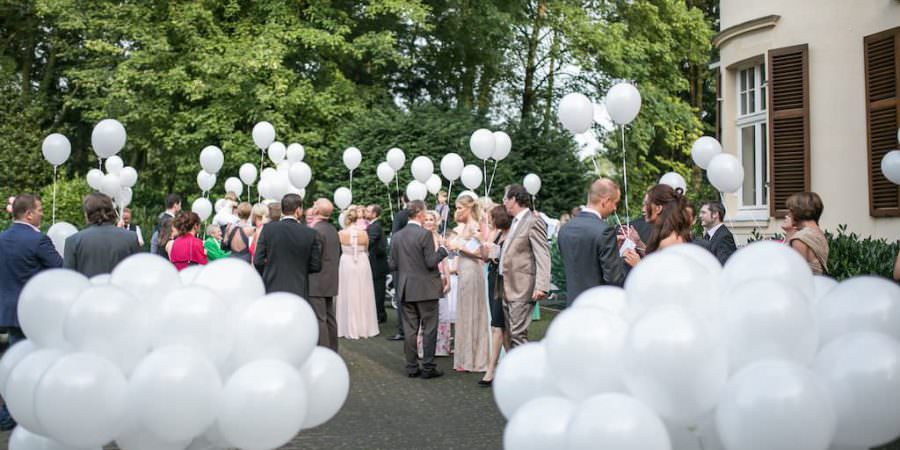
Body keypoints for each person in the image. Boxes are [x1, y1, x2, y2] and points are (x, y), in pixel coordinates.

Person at [389, 200, 448, 379]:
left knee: (410, 329)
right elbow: (431, 262)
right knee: (429, 328)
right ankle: (428, 367)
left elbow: (392, 264)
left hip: (406, 288)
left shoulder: (397, 236)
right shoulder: (424, 235)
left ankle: (412, 367)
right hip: (426, 288)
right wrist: (443, 250)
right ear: (420, 214)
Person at [0, 194, 63, 345]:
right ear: (29, 214)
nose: (42, 213)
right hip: (34, 311)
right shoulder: (39, 240)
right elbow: (61, 269)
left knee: (15, 357)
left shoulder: (2, 238)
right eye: (39, 210)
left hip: (8, 311)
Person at [558, 178, 626, 305]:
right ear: (605, 201)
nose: (615, 208)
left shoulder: (565, 229)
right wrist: (620, 257)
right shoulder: (605, 231)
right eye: (615, 203)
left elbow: (579, 261)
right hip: (597, 306)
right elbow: (613, 278)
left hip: (572, 305)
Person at [499, 185, 550, 348]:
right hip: (506, 285)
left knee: (517, 334)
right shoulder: (514, 222)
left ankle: (525, 371)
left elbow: (543, 254)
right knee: (510, 333)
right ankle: (513, 370)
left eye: (506, 199)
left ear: (514, 199)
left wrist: (542, 285)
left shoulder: (533, 221)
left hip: (522, 286)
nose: (504, 202)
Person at [448, 193, 489, 372]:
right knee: (464, 312)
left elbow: (482, 253)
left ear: (469, 208)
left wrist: (460, 246)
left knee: (473, 311)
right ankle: (464, 358)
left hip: (472, 270)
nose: (457, 212)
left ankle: (475, 358)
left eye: (459, 208)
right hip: (463, 271)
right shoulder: (464, 227)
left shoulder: (475, 227)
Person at [253, 194, 323, 299]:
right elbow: (316, 266)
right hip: (298, 287)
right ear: (298, 210)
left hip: (272, 286)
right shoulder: (310, 233)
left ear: (282, 210)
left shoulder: (268, 229)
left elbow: (257, 261)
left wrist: (269, 271)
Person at [64, 193, 141, 277]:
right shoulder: (131, 237)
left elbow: (69, 279)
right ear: (111, 211)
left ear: (87, 214)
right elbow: (136, 274)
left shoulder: (73, 241)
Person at [335, 205, 380, 340]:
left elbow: (338, 249)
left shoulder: (341, 234)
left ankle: (346, 326)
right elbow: (366, 248)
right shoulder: (363, 233)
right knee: (363, 292)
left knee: (347, 292)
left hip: (346, 263)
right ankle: (364, 326)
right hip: (362, 262)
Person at [480, 205, 512, 386]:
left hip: (506, 283)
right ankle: (515, 365)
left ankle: (491, 370)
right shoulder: (497, 234)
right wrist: (485, 246)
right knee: (500, 327)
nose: (490, 220)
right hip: (493, 279)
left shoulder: (512, 234)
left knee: (497, 326)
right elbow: (484, 257)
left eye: (491, 217)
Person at [622, 184, 693, 267]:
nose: (643, 209)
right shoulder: (665, 232)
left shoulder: (670, 240)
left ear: (658, 208)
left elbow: (665, 276)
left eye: (646, 205)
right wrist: (638, 242)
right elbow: (656, 258)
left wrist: (638, 264)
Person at [308, 199, 341, 351]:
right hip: (330, 279)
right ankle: (333, 349)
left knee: (320, 318)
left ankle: (323, 352)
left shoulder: (316, 230)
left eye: (315, 205)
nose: (313, 207)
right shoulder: (333, 229)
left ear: (317, 211)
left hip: (317, 279)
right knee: (330, 317)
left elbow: (313, 257)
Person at [418, 211, 451, 356]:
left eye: (432, 219)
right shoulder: (419, 238)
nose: (429, 222)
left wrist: (448, 280)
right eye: (426, 219)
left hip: (440, 277)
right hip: (424, 280)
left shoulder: (440, 238)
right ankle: (422, 348)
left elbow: (444, 262)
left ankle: (441, 348)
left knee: (442, 313)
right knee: (424, 315)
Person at [784, 192, 829, 275]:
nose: (789, 214)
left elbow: (798, 273)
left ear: (798, 211)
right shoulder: (819, 233)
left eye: (791, 210)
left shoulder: (800, 238)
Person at [387, 194, 411, 341]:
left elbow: (394, 238)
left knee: (401, 295)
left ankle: (403, 330)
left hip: (401, 262)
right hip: (417, 262)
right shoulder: (426, 214)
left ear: (403, 199)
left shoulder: (401, 215)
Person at [366, 204, 389, 323]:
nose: (366, 212)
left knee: (378, 291)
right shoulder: (374, 226)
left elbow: (369, 242)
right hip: (377, 264)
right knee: (377, 290)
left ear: (374, 214)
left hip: (377, 265)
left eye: (368, 211)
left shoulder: (374, 227)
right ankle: (380, 314)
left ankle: (380, 315)